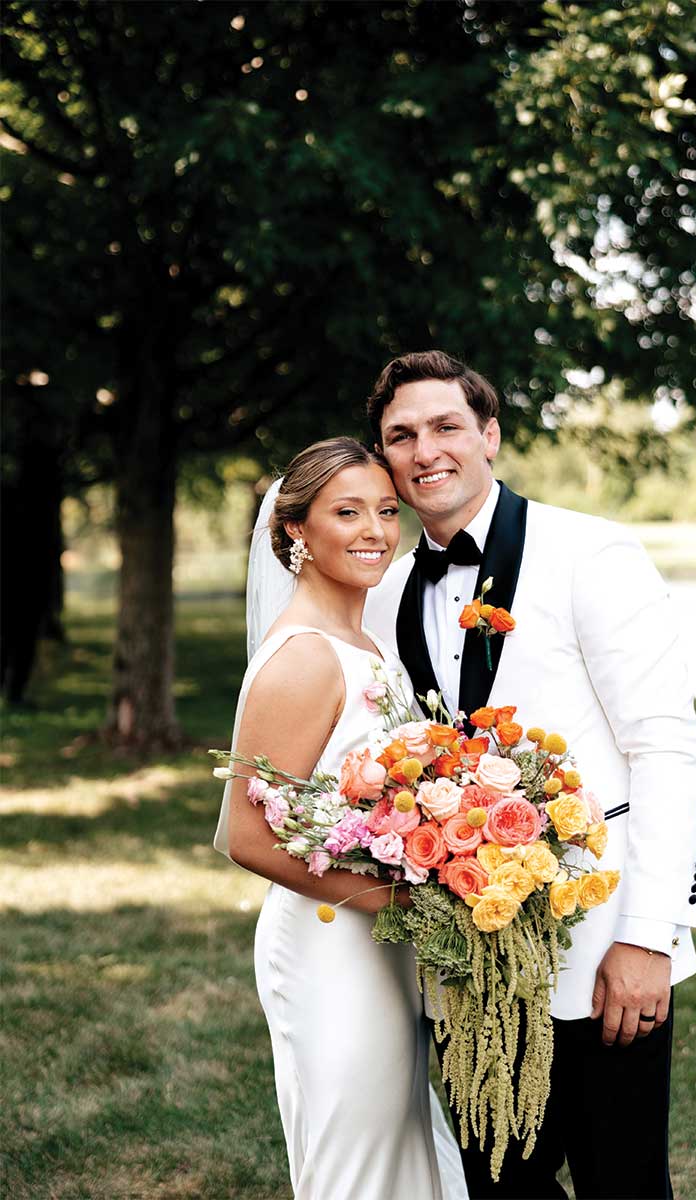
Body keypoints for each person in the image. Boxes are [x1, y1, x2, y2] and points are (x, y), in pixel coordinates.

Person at [364, 351, 696, 1200]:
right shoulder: (387, 591)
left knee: (622, 1183)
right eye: (400, 435)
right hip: (467, 960)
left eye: (445, 426)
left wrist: (648, 937)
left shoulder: (591, 552)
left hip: (602, 952)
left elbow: (666, 745)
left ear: (490, 436)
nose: (424, 449)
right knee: (500, 1189)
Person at [213, 437, 468, 1200]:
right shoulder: (307, 658)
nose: (375, 531)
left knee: (402, 1148)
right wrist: (400, 901)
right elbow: (245, 834)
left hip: (381, 944)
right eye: (347, 512)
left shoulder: (365, 644)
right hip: (332, 953)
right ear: (296, 531)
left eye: (387, 511)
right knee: (356, 1164)